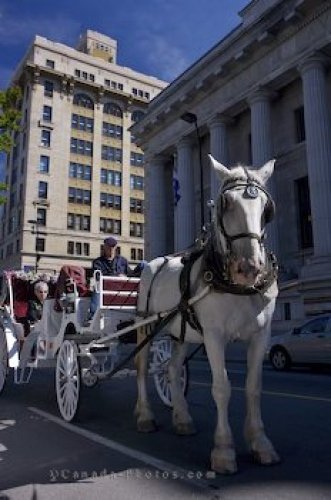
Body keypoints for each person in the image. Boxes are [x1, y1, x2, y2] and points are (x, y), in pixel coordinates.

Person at [89, 237, 145, 317]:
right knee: (97, 288)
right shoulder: (98, 262)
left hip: (122, 288)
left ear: (115, 247)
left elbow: (130, 274)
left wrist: (125, 276)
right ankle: (92, 315)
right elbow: (98, 277)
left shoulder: (122, 261)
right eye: (109, 247)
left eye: (113, 247)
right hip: (106, 289)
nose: (111, 249)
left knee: (144, 264)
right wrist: (117, 276)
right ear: (104, 247)